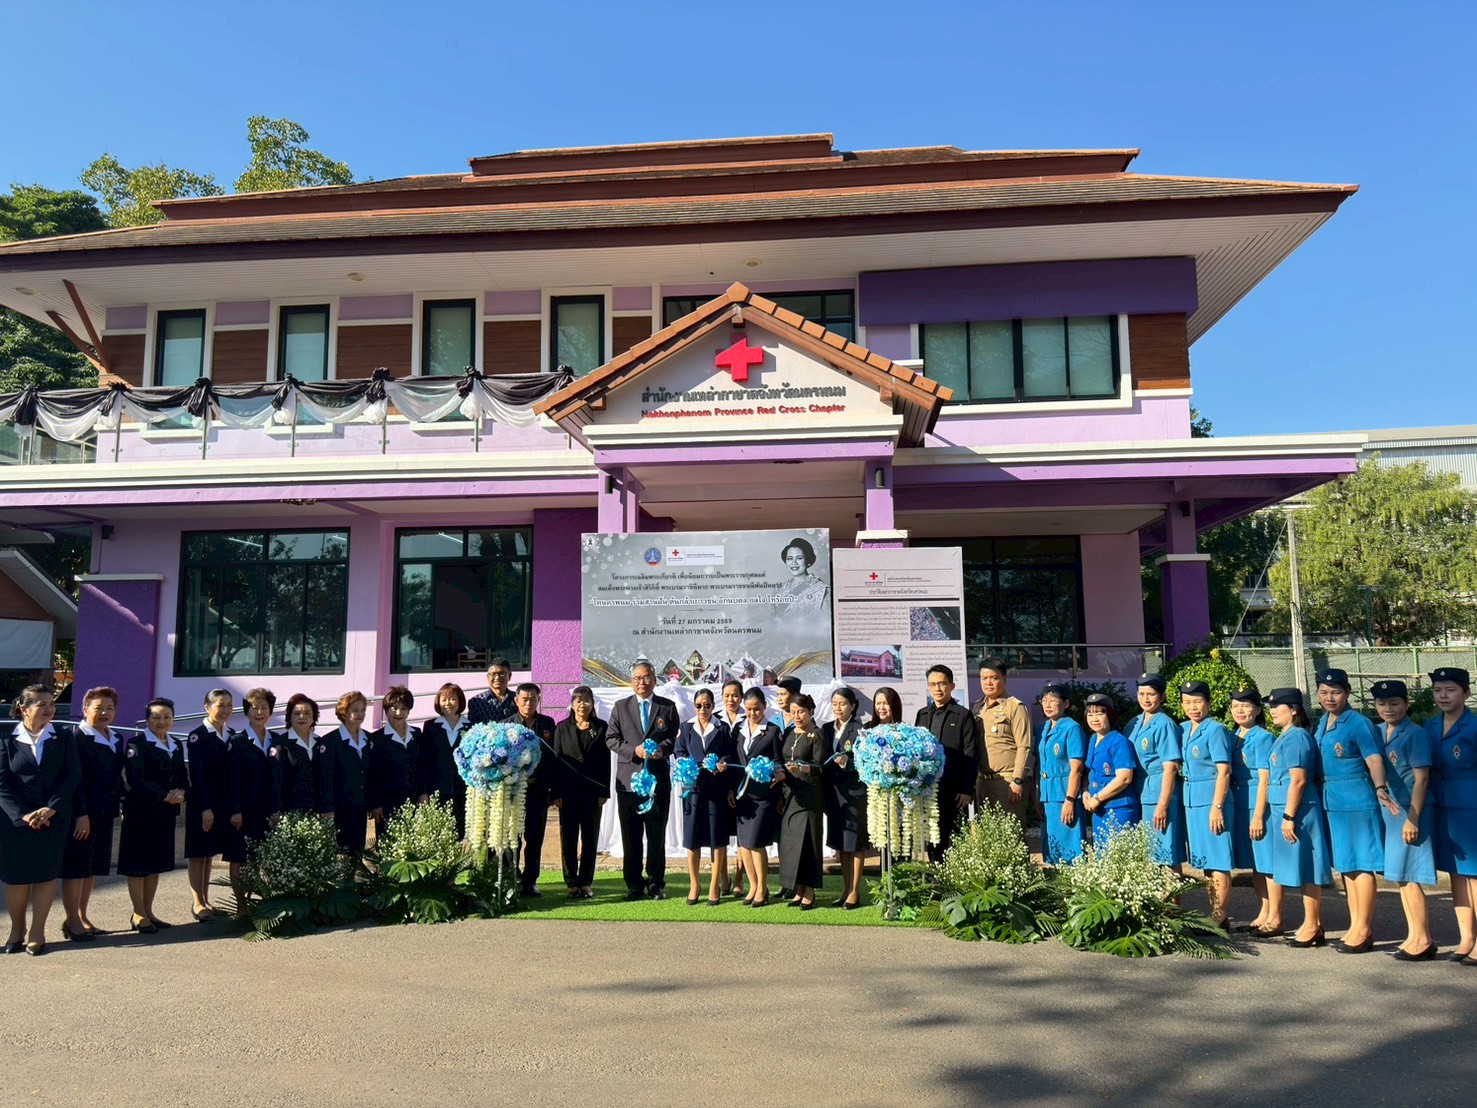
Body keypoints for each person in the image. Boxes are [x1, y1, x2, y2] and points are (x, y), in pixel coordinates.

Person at [1313, 667, 1396, 954]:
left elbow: (1374, 759)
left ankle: (1363, 928)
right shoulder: (1322, 723)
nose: (1329, 698)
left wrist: (1380, 787)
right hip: (1332, 802)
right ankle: (1355, 924)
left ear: (1347, 693)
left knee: (1362, 864)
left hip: (1357, 800)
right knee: (1347, 866)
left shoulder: (1358, 723)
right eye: (1324, 693)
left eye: (1336, 692)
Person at [0, 685, 79, 955]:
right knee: (16, 879)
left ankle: (37, 931)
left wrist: (50, 809)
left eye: (51, 704)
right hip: (15, 821)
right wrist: (23, 815)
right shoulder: (6, 739)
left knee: (46, 876)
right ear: (24, 709)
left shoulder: (64, 737)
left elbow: (71, 776)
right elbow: (2, 784)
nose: (49, 709)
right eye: (42, 704)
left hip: (53, 819)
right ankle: (17, 929)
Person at [1370, 680, 1436, 960]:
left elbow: (1422, 779)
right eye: (1382, 704)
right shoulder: (1377, 732)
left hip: (1410, 810)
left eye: (1394, 703)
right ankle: (1414, 936)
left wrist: (1413, 818)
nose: (1388, 709)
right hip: (1391, 811)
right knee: (1400, 876)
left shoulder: (1416, 734)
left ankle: (1423, 938)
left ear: (1406, 704)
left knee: (1410, 876)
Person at [605, 662, 679, 900]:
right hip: (629, 782)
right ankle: (634, 884)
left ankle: (656, 882)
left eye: (646, 678)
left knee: (656, 835)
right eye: (637, 678)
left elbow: (672, 737)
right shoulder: (621, 707)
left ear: (654, 680)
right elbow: (611, 738)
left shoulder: (667, 707)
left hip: (657, 782)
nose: (642, 683)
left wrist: (662, 750)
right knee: (631, 836)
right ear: (631, 681)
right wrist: (633, 751)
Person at [1265, 688, 1331, 949]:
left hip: (1298, 811)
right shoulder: (1285, 736)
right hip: (1285, 808)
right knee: (1300, 868)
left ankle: (1313, 924)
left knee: (1308, 867)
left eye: (1278, 707)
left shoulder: (1297, 737)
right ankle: (1310, 923)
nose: (1272, 711)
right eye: (1271, 707)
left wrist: (1288, 816)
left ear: (1294, 710)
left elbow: (1299, 780)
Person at [59, 686, 126, 940]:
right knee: (77, 868)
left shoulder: (115, 737)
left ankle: (82, 915)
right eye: (99, 708)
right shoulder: (77, 738)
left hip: (105, 812)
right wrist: (81, 814)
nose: (105, 713)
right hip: (83, 814)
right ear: (85, 709)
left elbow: (116, 776)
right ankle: (72, 921)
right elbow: (74, 781)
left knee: (91, 869)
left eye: (110, 708)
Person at [117, 697, 188, 934]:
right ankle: (138, 913)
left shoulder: (175, 744)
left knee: (155, 864)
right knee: (138, 864)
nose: (161, 721)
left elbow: (182, 775)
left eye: (167, 717)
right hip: (141, 812)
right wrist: (164, 794)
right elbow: (136, 779)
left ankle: (149, 911)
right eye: (156, 717)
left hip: (165, 813)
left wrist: (182, 792)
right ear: (147, 720)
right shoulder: (136, 744)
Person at [1425, 667, 1477, 964]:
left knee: (1475, 874)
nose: (1443, 696)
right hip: (1442, 806)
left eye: (1450, 690)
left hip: (1471, 807)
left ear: (1466, 693)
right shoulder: (1430, 725)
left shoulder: (1474, 726)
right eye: (1438, 690)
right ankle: (1466, 937)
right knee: (1456, 873)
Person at [1179, 680, 1236, 928]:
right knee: (1205, 860)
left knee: (1218, 859)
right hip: (1192, 799)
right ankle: (1215, 911)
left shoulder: (1215, 730)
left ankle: (1219, 915)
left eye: (1198, 701)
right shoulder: (1183, 729)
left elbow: (1224, 770)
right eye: (1187, 702)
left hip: (1212, 798)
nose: (1193, 707)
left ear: (1209, 703)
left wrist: (1217, 806)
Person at [675, 688, 736, 906]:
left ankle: (714, 884)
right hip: (694, 791)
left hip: (716, 791)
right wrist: (687, 765)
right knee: (692, 839)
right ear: (694, 706)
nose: (703, 709)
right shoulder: (685, 728)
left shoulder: (722, 728)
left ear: (713, 706)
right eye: (699, 705)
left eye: (707, 705)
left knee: (717, 838)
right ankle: (694, 884)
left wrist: (723, 763)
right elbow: (679, 752)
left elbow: (730, 754)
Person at [550, 686, 610, 899]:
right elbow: (556, 761)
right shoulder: (561, 728)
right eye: (578, 700)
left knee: (590, 838)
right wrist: (555, 792)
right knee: (568, 837)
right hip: (568, 792)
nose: (582, 704)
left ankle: (585, 882)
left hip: (593, 792)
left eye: (586, 700)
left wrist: (604, 791)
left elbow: (605, 762)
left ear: (592, 704)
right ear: (572, 704)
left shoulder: (601, 727)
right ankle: (571, 882)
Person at [1229, 688, 1280, 938]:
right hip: (1239, 803)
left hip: (1257, 804)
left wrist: (1258, 815)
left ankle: (1275, 916)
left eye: (1246, 706)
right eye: (1235, 706)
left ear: (1258, 710)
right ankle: (1263, 912)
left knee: (1267, 864)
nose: (1240, 711)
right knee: (1256, 865)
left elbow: (1264, 780)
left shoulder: (1263, 737)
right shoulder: (1233, 736)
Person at [916, 664, 980, 859]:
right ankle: (935, 874)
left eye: (942, 683)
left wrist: (966, 789)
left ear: (951, 686)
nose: (937, 688)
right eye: (933, 684)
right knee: (931, 838)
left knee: (954, 839)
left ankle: (954, 877)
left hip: (954, 791)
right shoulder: (922, 714)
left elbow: (970, 754)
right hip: (928, 790)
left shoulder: (963, 715)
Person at [1125, 674, 1186, 869]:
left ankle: (1172, 890)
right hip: (1138, 789)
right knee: (1147, 852)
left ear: (1162, 697)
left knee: (1165, 851)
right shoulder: (1134, 723)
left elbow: (1171, 766)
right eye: (1141, 694)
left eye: (1151, 694)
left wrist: (1162, 805)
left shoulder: (1164, 724)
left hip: (1158, 789)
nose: (1145, 699)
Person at [223, 687, 278, 903]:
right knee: (240, 857)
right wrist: (235, 809)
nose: (259, 712)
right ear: (247, 711)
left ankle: (259, 902)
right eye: (254, 707)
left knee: (260, 857)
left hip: (268, 810)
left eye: (264, 707)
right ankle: (240, 904)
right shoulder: (237, 741)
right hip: (243, 811)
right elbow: (231, 779)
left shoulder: (276, 740)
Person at [184, 688, 234, 922]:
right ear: (207, 707)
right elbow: (198, 774)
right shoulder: (198, 736)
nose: (225, 710)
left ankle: (206, 899)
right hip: (203, 804)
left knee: (209, 854)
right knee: (198, 853)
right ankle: (197, 902)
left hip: (222, 804)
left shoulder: (230, 734)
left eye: (229, 705)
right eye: (220, 705)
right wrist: (205, 807)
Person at [734, 686, 784, 907]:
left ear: (764, 707)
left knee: (756, 842)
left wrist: (779, 772)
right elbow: (733, 757)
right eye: (748, 709)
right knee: (744, 844)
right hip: (742, 794)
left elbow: (778, 760)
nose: (752, 713)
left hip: (763, 795)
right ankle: (753, 886)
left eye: (756, 709)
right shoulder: (738, 729)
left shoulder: (772, 731)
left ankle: (762, 888)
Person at [779, 693, 828, 909]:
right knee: (792, 844)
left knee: (809, 843)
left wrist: (803, 768)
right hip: (791, 795)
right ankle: (798, 888)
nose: (797, 716)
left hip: (809, 795)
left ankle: (809, 891)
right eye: (793, 712)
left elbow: (820, 767)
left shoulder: (817, 734)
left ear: (811, 712)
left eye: (801, 712)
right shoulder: (790, 733)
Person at [971, 657, 1031, 825]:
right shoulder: (978, 708)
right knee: (988, 835)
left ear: (1004, 679)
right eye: (984, 678)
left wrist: (1017, 780)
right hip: (983, 782)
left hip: (1007, 782)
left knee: (1010, 832)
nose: (988, 683)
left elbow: (1024, 746)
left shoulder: (1015, 707)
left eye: (994, 678)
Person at [823, 686, 868, 909]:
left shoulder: (860, 729)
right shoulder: (826, 729)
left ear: (852, 706)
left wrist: (847, 763)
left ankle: (855, 891)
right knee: (841, 844)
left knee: (855, 843)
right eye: (835, 704)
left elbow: (866, 762)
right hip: (834, 794)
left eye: (842, 704)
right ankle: (845, 888)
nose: (838, 708)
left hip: (854, 793)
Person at [1036, 681, 1087, 866]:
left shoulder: (1072, 728)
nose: (1048, 705)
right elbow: (1039, 764)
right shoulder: (1041, 728)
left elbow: (1077, 768)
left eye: (1053, 700)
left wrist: (1070, 800)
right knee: (1050, 845)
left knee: (1069, 846)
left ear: (1065, 704)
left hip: (1064, 793)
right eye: (1044, 700)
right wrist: (1036, 796)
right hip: (1047, 795)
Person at [513, 683, 557, 897]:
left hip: (538, 790)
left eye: (533, 698)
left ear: (539, 700)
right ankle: (512, 878)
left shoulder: (548, 724)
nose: (528, 703)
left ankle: (530, 881)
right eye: (524, 699)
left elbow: (553, 759)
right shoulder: (507, 725)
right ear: (516, 701)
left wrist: (552, 790)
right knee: (513, 838)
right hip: (513, 792)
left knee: (535, 837)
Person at [1081, 693, 1139, 836]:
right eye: (1090, 714)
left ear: (1110, 715)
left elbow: (1124, 778)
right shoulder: (1093, 739)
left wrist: (1097, 798)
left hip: (1119, 808)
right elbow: (1090, 771)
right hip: (1098, 809)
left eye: (1099, 714)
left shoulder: (1119, 742)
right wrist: (1085, 792)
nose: (1094, 719)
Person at [370, 685, 422, 838]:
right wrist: (376, 803)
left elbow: (423, 766)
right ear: (386, 711)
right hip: (387, 803)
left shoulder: (417, 734)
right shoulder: (377, 739)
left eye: (404, 708)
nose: (399, 713)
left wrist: (423, 794)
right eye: (394, 708)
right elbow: (373, 774)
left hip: (415, 800)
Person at [418, 682, 468, 836]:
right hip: (437, 791)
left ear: (460, 701)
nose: (448, 703)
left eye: (452, 699)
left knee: (461, 834)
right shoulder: (430, 726)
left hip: (463, 792)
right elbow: (424, 761)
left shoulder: (471, 727)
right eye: (444, 699)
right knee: (438, 835)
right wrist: (423, 792)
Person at [327, 690, 373, 855]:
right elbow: (326, 778)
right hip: (340, 808)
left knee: (358, 850)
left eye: (363, 710)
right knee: (341, 852)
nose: (360, 714)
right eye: (355, 710)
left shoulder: (368, 739)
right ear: (344, 713)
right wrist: (328, 808)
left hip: (360, 806)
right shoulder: (331, 741)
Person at [272, 694, 331, 816]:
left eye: (307, 713)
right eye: (297, 713)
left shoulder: (321, 743)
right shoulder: (280, 744)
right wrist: (277, 813)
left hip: (318, 812)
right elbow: (276, 783)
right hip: (290, 813)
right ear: (289, 717)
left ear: (314, 717)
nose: (302, 717)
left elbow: (326, 779)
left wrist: (328, 808)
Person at [778, 537, 830, 611]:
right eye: (789, 558)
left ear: (808, 561)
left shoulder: (823, 590)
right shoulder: (779, 589)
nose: (794, 563)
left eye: (799, 558)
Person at [467, 657, 518, 725]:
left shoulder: (518, 699)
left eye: (502, 674)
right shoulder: (476, 701)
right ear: (488, 677)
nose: (497, 678)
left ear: (510, 676)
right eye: (493, 674)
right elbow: (472, 727)